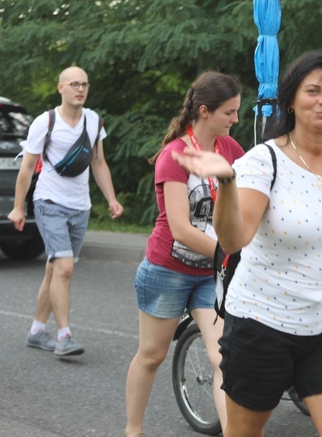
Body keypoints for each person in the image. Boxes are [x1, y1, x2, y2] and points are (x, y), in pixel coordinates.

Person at [173, 50, 322, 437]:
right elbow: (235, 239)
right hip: (260, 328)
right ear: (291, 100)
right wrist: (228, 183)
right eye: (313, 90)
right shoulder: (263, 161)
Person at [123, 71, 244, 437]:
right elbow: (180, 228)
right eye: (229, 112)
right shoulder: (173, 156)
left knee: (224, 358)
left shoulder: (231, 150)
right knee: (152, 355)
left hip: (211, 274)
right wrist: (234, 254)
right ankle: (133, 430)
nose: (235, 120)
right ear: (204, 112)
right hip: (167, 272)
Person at [8, 66, 123, 357]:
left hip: (80, 206)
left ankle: (36, 331)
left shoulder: (94, 120)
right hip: (49, 203)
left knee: (54, 268)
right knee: (65, 267)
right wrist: (18, 207)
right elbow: (26, 169)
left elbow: (98, 162)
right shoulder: (45, 122)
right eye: (73, 84)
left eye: (84, 84)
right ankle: (64, 336)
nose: (80, 89)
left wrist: (111, 198)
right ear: (61, 88)